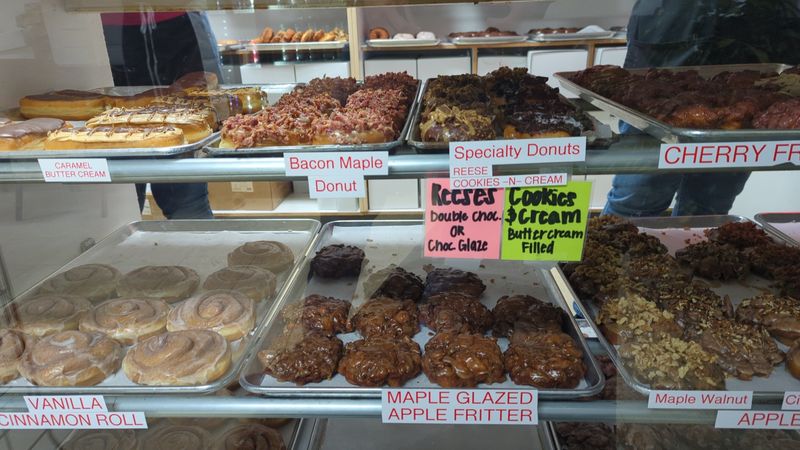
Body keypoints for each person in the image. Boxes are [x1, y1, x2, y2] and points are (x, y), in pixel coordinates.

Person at [603, 0, 800, 217]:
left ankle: (693, 244)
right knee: (638, 195)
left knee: (709, 203)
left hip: (758, 44)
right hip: (672, 33)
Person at [101, 10, 221, 219]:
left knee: (188, 203)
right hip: (111, 29)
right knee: (120, 207)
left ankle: (197, 246)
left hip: (177, 21)